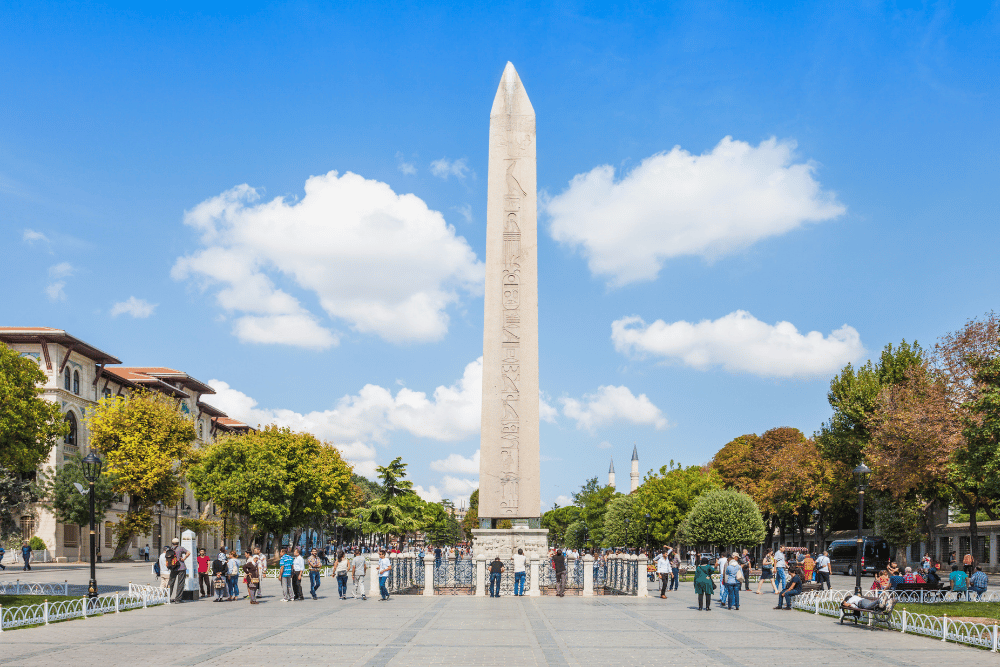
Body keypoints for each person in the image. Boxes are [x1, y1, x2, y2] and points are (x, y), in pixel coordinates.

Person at [167, 537, 189, 603]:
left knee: (170, 583)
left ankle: (167, 597)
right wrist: (184, 558)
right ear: (178, 543)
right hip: (181, 567)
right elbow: (188, 552)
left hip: (173, 567)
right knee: (180, 583)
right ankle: (178, 599)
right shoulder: (181, 548)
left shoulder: (169, 549)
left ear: (172, 543)